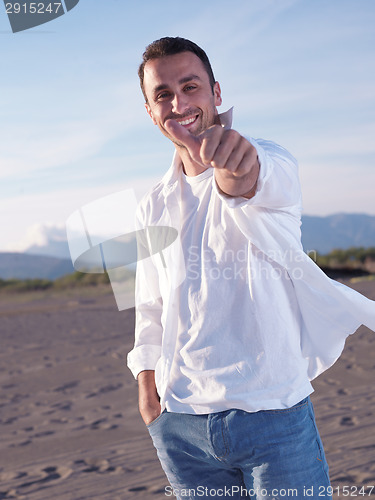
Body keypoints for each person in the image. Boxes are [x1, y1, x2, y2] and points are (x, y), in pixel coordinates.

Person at [127, 37, 375, 499]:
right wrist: (147, 386)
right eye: (163, 93)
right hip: (180, 424)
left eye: (191, 86)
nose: (179, 102)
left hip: (271, 414)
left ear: (216, 93)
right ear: (150, 111)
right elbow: (149, 305)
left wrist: (237, 170)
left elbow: (252, 179)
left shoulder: (268, 158)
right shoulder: (150, 205)